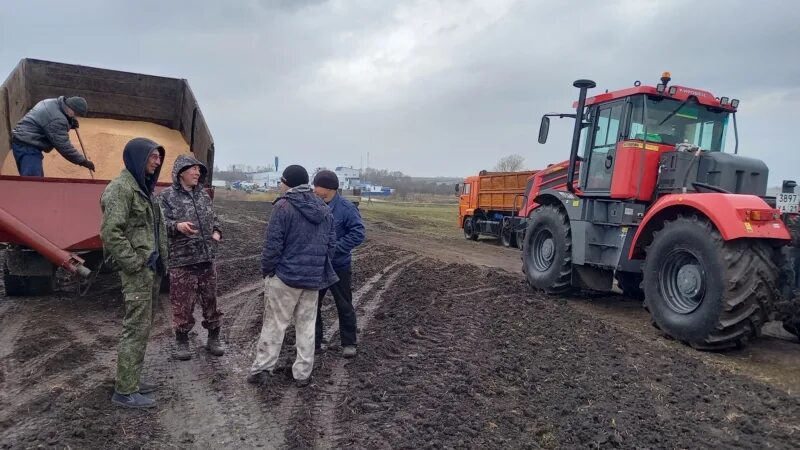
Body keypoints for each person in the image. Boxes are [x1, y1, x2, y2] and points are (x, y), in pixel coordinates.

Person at [248, 165, 338, 388]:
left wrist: (268, 271)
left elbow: (273, 245)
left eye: (282, 180)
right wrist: (317, 268)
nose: (280, 184)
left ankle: (262, 369)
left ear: (288, 183)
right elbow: (331, 245)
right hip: (312, 279)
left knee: (275, 324)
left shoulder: (283, 206)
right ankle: (303, 373)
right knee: (306, 326)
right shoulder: (324, 208)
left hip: (286, 278)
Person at [100, 138, 168, 409]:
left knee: (143, 328)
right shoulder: (121, 189)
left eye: (158, 157)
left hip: (150, 270)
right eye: (153, 156)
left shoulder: (144, 189)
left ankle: (132, 379)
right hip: (138, 272)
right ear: (138, 158)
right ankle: (125, 391)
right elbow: (110, 232)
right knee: (135, 329)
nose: (157, 161)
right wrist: (135, 263)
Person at [158, 154, 224, 360]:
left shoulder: (203, 195)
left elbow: (214, 217)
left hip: (206, 258)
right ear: (180, 173)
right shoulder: (166, 197)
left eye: (198, 169)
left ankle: (213, 338)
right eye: (193, 169)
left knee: (211, 301)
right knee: (182, 304)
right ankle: (182, 341)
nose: (197, 173)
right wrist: (177, 226)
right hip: (182, 260)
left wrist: (217, 231)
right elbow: (159, 225)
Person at [312, 170, 365, 358]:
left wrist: (335, 249)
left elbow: (358, 233)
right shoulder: (313, 205)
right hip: (317, 266)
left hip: (339, 266)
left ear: (326, 188)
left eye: (316, 185)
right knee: (312, 306)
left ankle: (349, 343)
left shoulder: (346, 208)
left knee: (344, 304)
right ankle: (315, 343)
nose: (313, 189)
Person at [11, 96, 96, 176]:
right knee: (33, 181)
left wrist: (70, 122)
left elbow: (47, 122)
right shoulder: (58, 120)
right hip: (27, 146)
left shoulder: (52, 102)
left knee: (35, 181)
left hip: (23, 139)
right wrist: (83, 161)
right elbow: (64, 147)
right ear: (70, 108)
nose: (75, 117)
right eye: (76, 114)